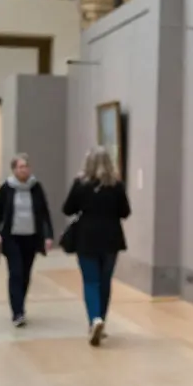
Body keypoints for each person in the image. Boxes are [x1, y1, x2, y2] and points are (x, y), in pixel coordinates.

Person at [62, 147, 130, 346]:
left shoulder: (80, 184)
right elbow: (125, 212)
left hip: (86, 237)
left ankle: (94, 319)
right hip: (111, 238)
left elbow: (67, 209)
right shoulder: (116, 185)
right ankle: (102, 320)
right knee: (105, 281)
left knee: (91, 281)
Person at [0, 154, 55, 327]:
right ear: (14, 169)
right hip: (11, 237)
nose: (24, 170)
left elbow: (44, 213)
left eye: (26, 166)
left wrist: (48, 235)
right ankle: (17, 312)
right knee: (16, 273)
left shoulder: (36, 187)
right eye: (20, 167)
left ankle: (21, 305)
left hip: (31, 237)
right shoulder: (6, 188)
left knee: (26, 274)